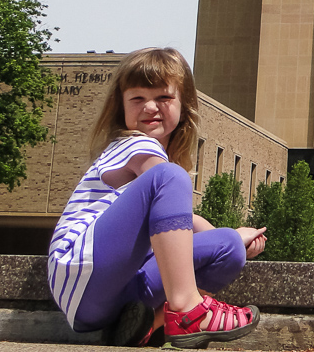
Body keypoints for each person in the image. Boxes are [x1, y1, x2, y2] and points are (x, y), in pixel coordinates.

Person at [48, 48, 266, 348]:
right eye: (137, 99)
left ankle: (146, 324)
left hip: (115, 299)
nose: (150, 107)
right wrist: (224, 231)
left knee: (228, 249)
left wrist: (232, 237)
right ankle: (188, 310)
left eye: (163, 97)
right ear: (121, 107)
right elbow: (168, 189)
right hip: (82, 276)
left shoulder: (156, 162)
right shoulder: (131, 145)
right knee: (171, 177)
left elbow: (176, 224)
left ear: (183, 105)